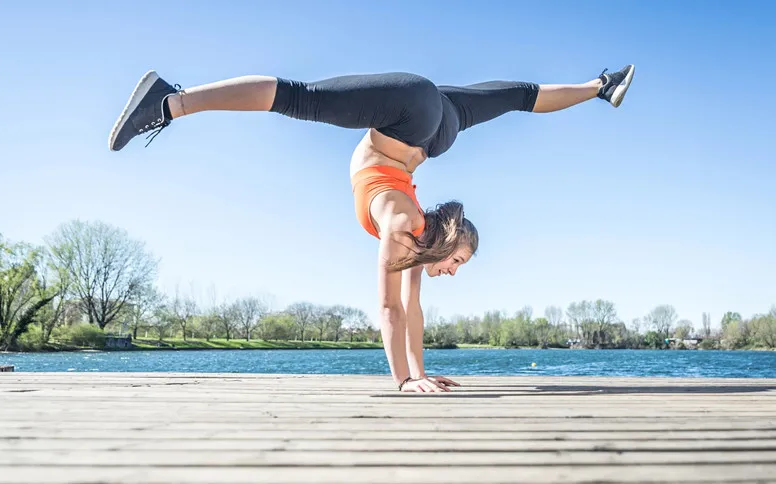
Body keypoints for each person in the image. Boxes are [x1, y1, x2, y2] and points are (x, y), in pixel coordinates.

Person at [108, 65, 635, 392]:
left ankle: (600, 86)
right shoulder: (405, 225)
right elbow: (389, 309)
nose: (453, 271)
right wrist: (404, 381)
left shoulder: (418, 235)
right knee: (299, 96)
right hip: (415, 111)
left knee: (521, 95)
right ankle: (169, 102)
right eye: (458, 262)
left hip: (437, 122)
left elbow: (412, 310)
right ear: (450, 242)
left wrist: (420, 375)